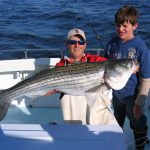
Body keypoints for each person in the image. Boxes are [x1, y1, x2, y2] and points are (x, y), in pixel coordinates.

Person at [46, 28, 118, 125]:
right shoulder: (61, 66)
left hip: (99, 118)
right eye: (72, 42)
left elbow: (110, 66)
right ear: (66, 44)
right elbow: (50, 90)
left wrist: (129, 67)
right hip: (74, 120)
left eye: (81, 42)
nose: (77, 45)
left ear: (85, 45)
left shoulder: (95, 59)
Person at [105, 5, 150, 150]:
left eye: (125, 25)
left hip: (133, 95)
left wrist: (139, 101)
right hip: (116, 94)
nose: (121, 29)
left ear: (135, 26)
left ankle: (140, 147)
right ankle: (116, 144)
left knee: (137, 122)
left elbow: (146, 78)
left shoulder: (140, 47)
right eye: (118, 25)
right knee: (116, 119)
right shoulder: (112, 43)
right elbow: (104, 66)